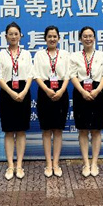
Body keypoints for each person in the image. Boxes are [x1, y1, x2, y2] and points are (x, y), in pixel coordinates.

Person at [69, 26, 103, 177]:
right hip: (81, 93)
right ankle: (86, 163)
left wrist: (97, 90)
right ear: (80, 39)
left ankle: (94, 163)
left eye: (90, 36)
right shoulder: (75, 56)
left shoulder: (101, 55)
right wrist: (82, 91)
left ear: (94, 38)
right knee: (83, 130)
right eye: (85, 36)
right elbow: (72, 75)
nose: (88, 39)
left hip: (98, 92)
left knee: (96, 130)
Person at [0, 22, 33, 180]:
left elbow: (30, 75)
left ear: (20, 36)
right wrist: (11, 92)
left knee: (21, 131)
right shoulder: (1, 55)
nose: (13, 36)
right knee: (9, 131)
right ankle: (10, 165)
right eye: (10, 34)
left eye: (16, 34)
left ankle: (19, 165)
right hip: (7, 93)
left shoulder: (26, 54)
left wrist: (23, 92)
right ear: (6, 37)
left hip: (23, 92)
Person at [33, 26, 70, 178]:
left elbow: (68, 75)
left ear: (59, 38)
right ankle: (48, 163)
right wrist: (47, 90)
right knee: (46, 130)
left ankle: (56, 163)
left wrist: (61, 91)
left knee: (58, 130)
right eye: (49, 36)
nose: (52, 39)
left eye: (55, 36)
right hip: (44, 91)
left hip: (61, 91)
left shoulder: (65, 54)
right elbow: (36, 75)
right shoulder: (39, 55)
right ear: (45, 38)